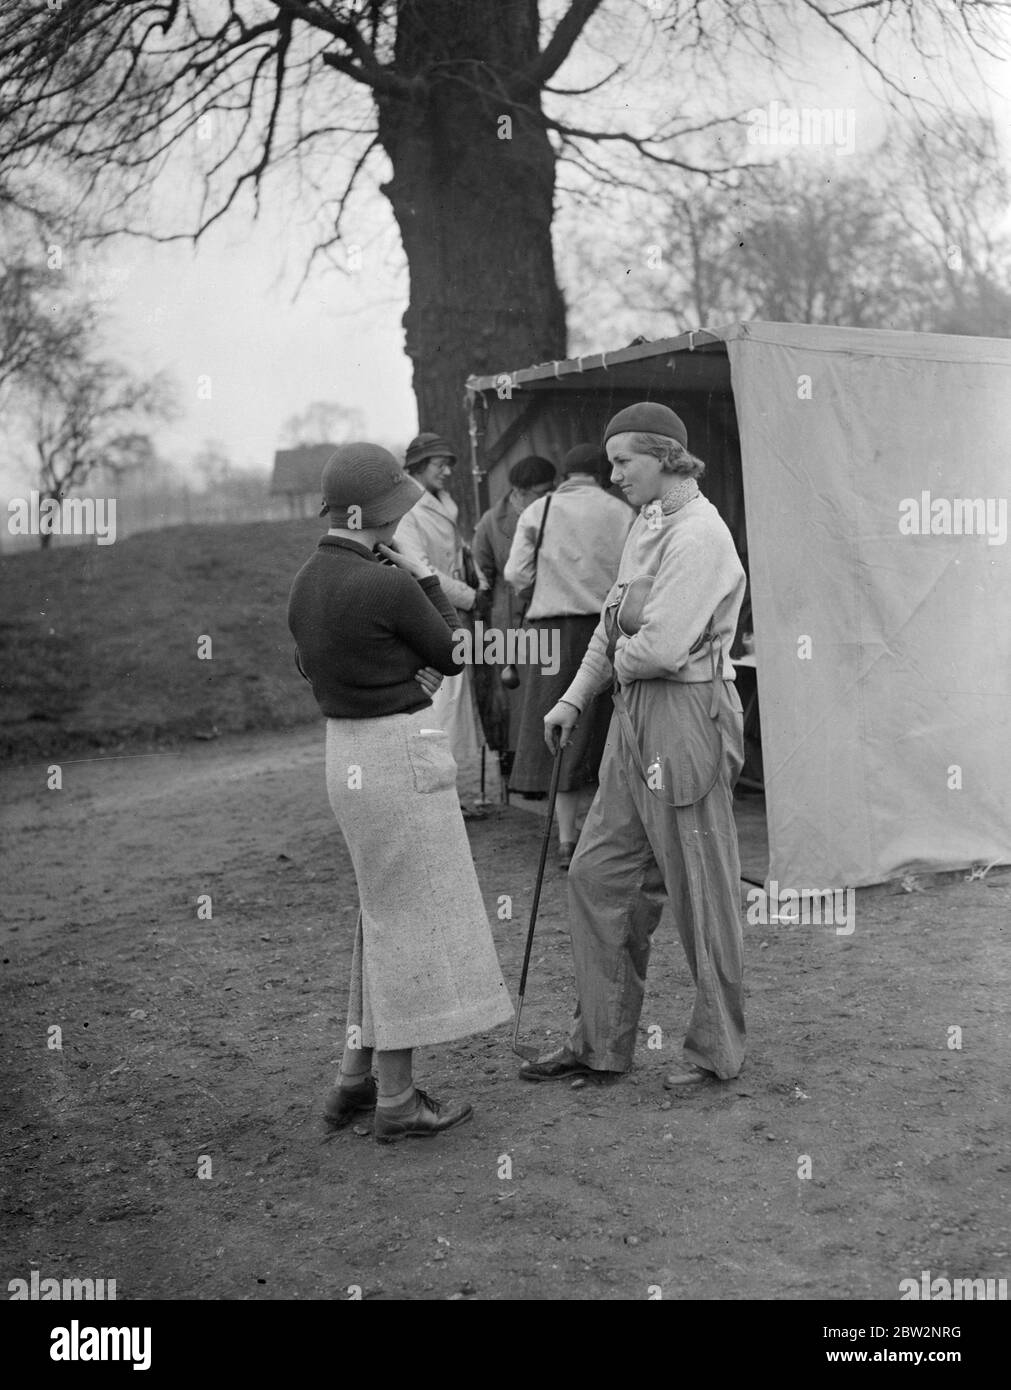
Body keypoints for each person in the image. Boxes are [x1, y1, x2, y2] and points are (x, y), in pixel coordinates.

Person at [287, 442, 513, 1143]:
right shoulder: (385, 582)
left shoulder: (304, 581)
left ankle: (352, 1083)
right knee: (406, 924)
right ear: (374, 512)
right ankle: (397, 1098)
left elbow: (308, 665)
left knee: (381, 916)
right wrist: (422, 581)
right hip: (394, 756)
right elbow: (458, 653)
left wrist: (390, 671)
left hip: (344, 753)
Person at [518, 404, 747, 1089]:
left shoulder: (699, 533)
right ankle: (599, 1042)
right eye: (612, 462)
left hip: (686, 713)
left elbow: (662, 646)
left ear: (667, 457)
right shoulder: (645, 523)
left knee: (697, 887)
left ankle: (717, 1051)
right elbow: (610, 628)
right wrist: (571, 697)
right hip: (632, 713)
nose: (612, 474)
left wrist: (622, 652)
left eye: (624, 462)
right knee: (596, 875)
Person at [504, 443, 632, 867]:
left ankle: (565, 838)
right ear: (600, 473)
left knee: (560, 730)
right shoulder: (620, 511)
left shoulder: (538, 510)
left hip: (550, 631)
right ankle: (608, 834)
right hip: (604, 629)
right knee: (606, 727)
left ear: (565, 475)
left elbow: (516, 574)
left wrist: (548, 587)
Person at [395, 433, 486, 804]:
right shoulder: (406, 507)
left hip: (451, 612)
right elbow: (421, 567)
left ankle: (453, 793)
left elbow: (459, 553)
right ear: (417, 466)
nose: (447, 471)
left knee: (454, 701)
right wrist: (468, 595)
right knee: (438, 701)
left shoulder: (442, 503)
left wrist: (478, 580)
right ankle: (433, 794)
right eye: (439, 464)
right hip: (426, 612)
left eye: (449, 464)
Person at [471, 455, 557, 780]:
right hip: (509, 622)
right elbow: (482, 576)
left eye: (553, 489)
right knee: (515, 699)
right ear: (519, 492)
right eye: (541, 491)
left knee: (546, 694)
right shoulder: (491, 522)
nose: (550, 496)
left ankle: (547, 771)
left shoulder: (555, 514)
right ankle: (523, 776)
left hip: (547, 614)